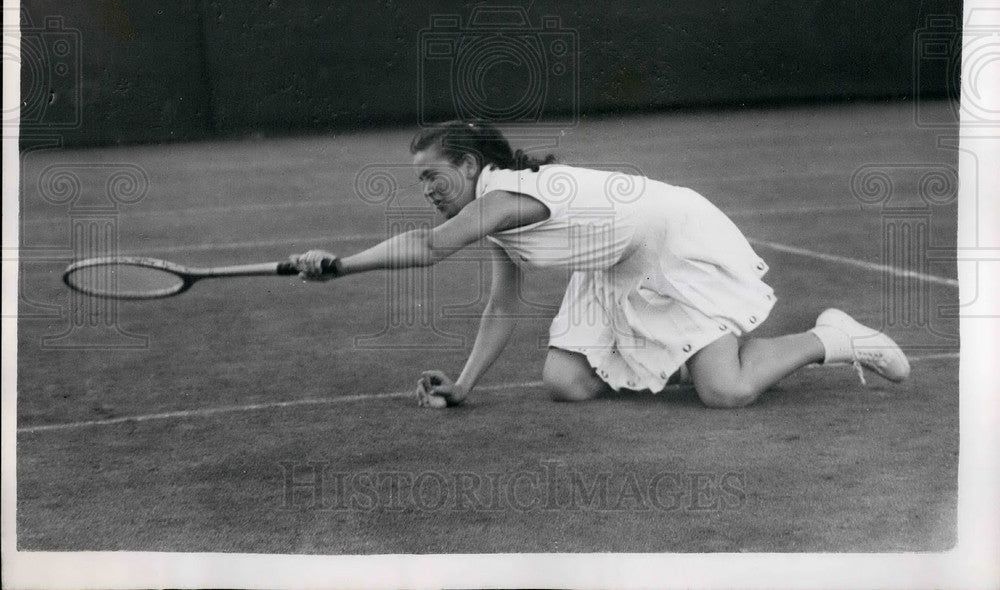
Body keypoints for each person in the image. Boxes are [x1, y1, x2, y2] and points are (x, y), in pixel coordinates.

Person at [291, 121, 910, 409]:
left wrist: (341, 266)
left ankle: (834, 336)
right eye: (420, 179)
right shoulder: (498, 214)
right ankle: (690, 358)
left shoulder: (506, 194)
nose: (426, 188)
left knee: (728, 392)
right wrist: (465, 385)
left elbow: (430, 247)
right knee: (566, 384)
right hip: (613, 262)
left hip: (670, 242)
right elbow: (502, 306)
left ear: (474, 163)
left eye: (434, 174)